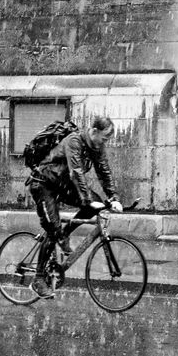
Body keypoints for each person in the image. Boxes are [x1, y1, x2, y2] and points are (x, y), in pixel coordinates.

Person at [28, 115, 123, 298]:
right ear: (93, 131)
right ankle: (38, 280)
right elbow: (76, 173)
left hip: (62, 185)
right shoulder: (74, 141)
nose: (105, 142)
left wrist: (113, 197)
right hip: (44, 183)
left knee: (97, 206)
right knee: (53, 228)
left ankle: (65, 233)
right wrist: (86, 199)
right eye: (104, 138)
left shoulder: (96, 146)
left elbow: (103, 170)